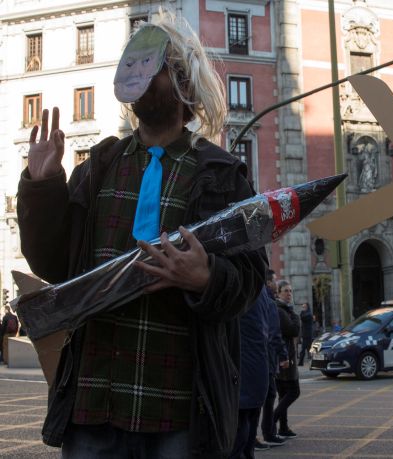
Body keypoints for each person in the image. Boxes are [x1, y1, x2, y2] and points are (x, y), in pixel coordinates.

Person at [16, 13, 266, 457]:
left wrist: (206, 277)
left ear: (185, 83)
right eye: (135, 64)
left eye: (157, 65)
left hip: (176, 407)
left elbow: (250, 278)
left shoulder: (221, 174)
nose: (141, 74)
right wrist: (42, 184)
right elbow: (54, 265)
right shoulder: (98, 167)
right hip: (92, 401)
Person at [230, 286, 271, 459]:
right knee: (247, 438)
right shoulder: (261, 292)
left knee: (238, 438)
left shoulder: (240, 289)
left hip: (242, 371)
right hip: (257, 372)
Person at [258, 269, 288, 449]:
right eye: (274, 280)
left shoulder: (258, 297)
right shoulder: (268, 302)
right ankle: (267, 433)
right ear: (268, 283)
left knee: (265, 395)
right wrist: (283, 355)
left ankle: (267, 432)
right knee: (267, 395)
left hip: (263, 355)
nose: (276, 283)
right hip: (266, 356)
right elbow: (274, 333)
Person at [273, 280, 301, 439]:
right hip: (285, 358)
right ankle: (273, 419)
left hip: (283, 356)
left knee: (283, 394)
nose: (289, 293)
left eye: (290, 291)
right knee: (294, 392)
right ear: (278, 292)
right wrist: (296, 316)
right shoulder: (282, 311)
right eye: (286, 291)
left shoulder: (285, 309)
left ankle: (283, 427)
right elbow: (293, 330)